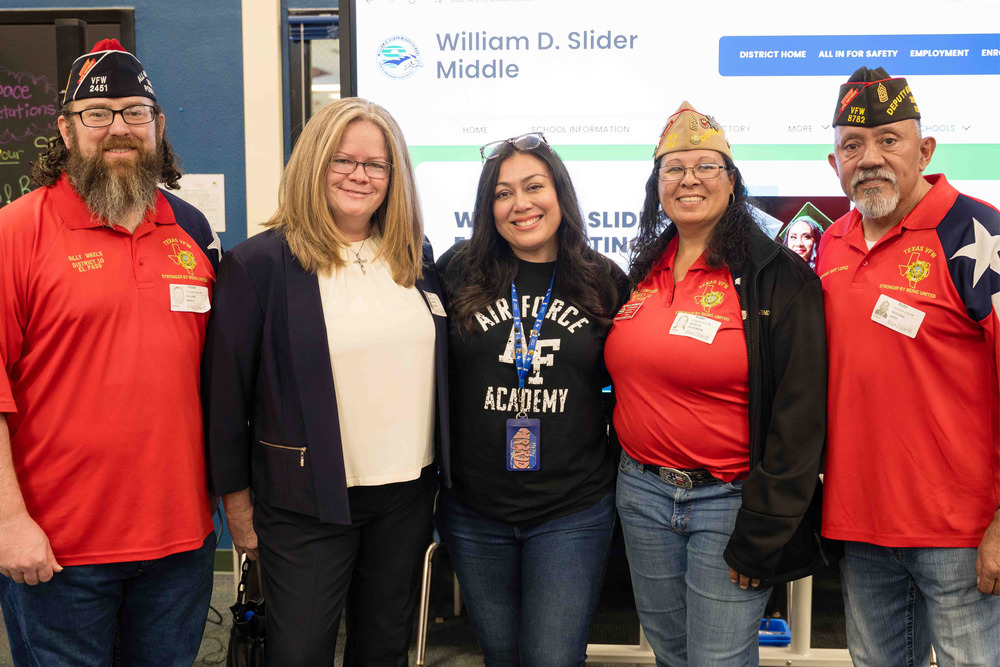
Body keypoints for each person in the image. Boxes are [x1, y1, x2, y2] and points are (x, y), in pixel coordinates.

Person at [203, 97, 451, 666]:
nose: (360, 175)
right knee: (299, 654)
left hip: (407, 497)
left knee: (383, 649)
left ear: (395, 177)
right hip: (305, 504)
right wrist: (237, 510)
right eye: (344, 160)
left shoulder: (414, 257)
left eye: (377, 165)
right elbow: (225, 401)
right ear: (314, 163)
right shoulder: (260, 265)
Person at [0, 39, 220, 665]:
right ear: (66, 130)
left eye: (134, 112)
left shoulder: (191, 232)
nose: (118, 128)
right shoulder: (16, 230)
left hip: (180, 545)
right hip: (57, 551)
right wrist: (7, 523)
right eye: (98, 114)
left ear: (158, 127)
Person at [604, 102, 837, 666]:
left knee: (718, 660)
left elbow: (800, 415)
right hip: (642, 495)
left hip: (729, 503)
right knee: (671, 654)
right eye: (673, 168)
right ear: (655, 185)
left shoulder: (777, 276)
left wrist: (764, 528)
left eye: (707, 166)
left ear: (732, 182)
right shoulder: (643, 269)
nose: (689, 179)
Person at [819, 66, 1000, 666]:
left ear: (924, 150)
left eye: (889, 140)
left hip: (962, 533)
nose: (870, 157)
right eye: (853, 144)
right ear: (833, 163)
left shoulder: (976, 232)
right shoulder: (830, 243)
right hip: (861, 527)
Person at [435, 132, 627, 666]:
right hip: (475, 510)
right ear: (487, 207)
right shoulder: (456, 272)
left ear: (559, 194)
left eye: (534, 186)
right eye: (502, 193)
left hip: (572, 508)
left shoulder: (602, 280)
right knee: (499, 653)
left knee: (552, 657)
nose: (521, 204)